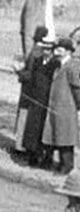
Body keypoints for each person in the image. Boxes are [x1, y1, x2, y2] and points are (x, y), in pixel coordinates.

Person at [41, 37, 80, 174]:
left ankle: (67, 166)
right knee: (56, 135)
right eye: (56, 49)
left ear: (68, 51)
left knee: (66, 139)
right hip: (56, 106)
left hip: (67, 107)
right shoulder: (59, 65)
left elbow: (77, 88)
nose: (56, 52)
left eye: (60, 49)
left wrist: (78, 106)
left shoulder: (72, 66)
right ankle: (58, 163)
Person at [15, 27, 50, 152]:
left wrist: (19, 72)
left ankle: (20, 145)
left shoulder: (35, 51)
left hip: (28, 90)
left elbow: (30, 73)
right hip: (34, 90)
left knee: (24, 117)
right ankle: (24, 145)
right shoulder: (40, 52)